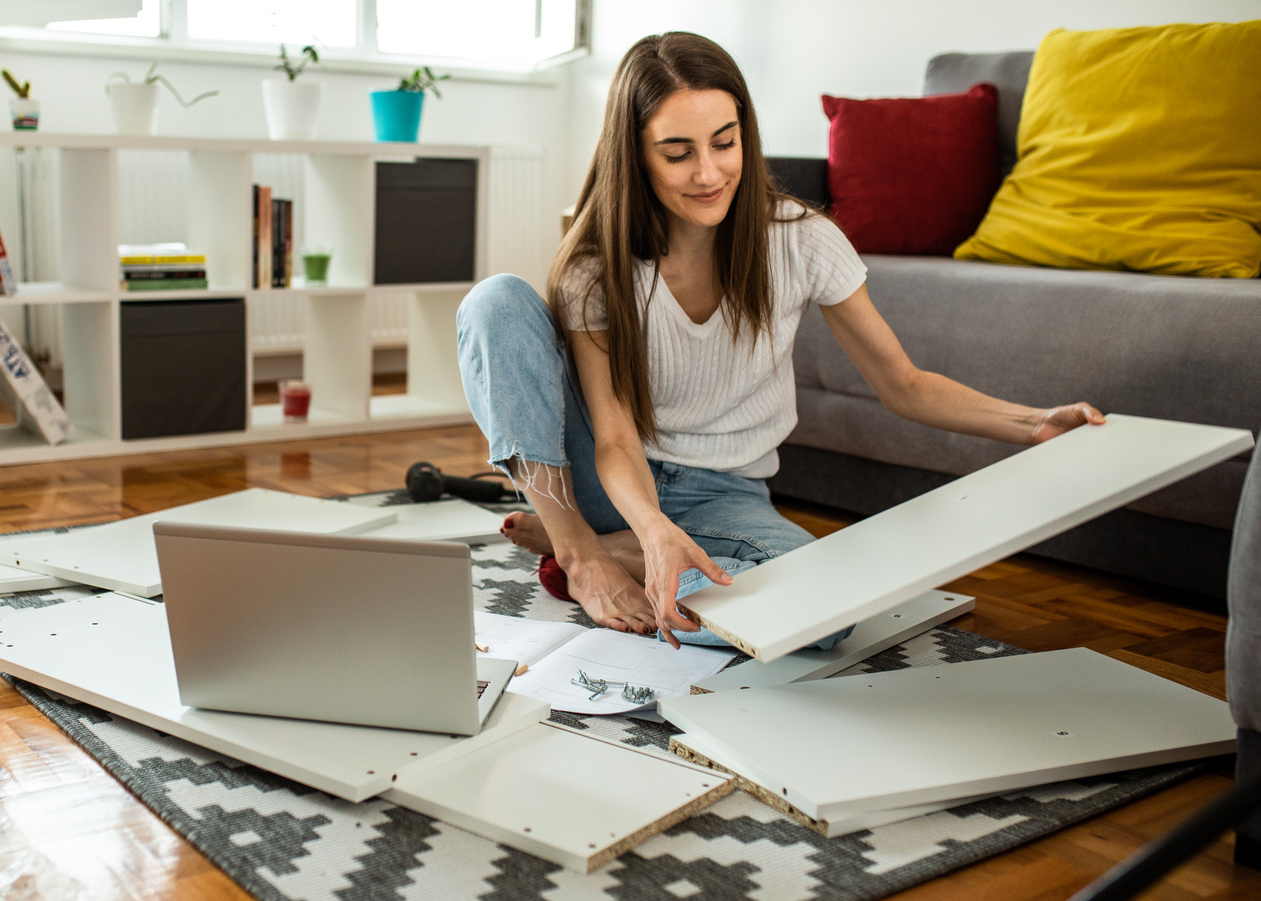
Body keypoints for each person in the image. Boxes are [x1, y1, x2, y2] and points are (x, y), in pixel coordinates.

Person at [455, 31, 1105, 649]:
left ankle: (615, 552)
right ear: (636, 156)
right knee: (496, 301)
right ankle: (579, 551)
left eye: (725, 142)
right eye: (678, 153)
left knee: (825, 617)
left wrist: (1033, 422)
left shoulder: (801, 239)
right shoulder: (597, 267)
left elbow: (904, 385)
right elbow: (616, 440)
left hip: (725, 493)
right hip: (612, 480)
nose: (708, 172)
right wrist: (650, 524)